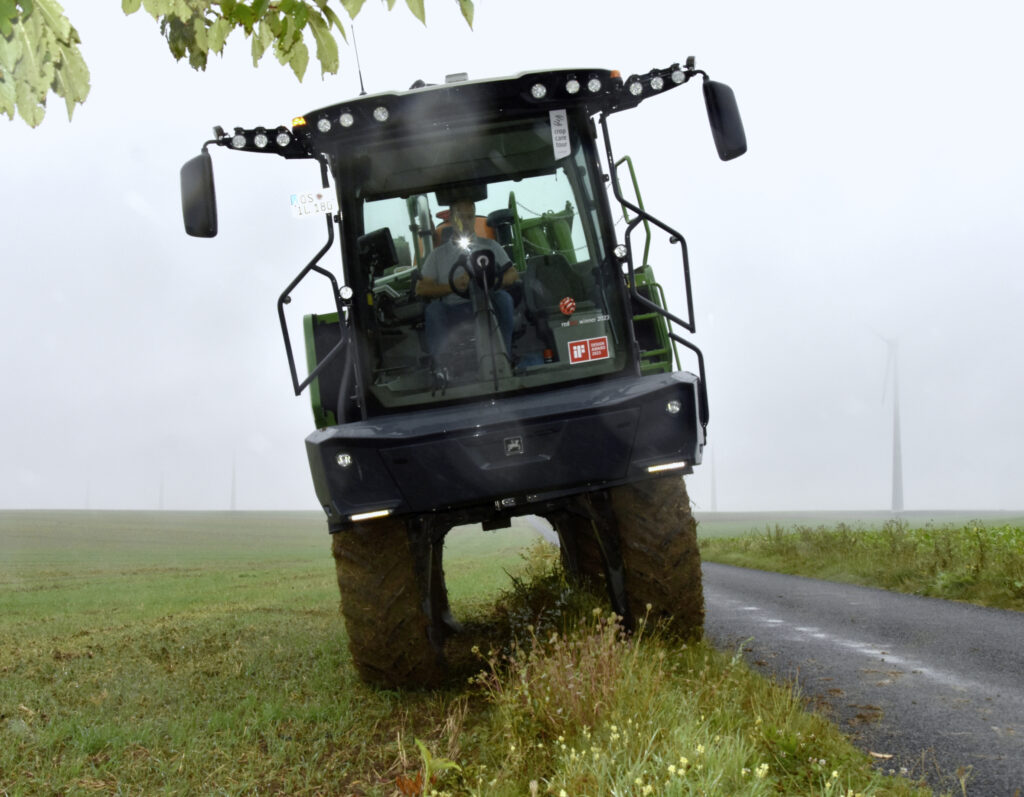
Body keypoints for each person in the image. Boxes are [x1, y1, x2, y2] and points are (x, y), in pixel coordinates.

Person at [415, 199, 519, 364]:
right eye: (460, 217)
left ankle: (504, 358)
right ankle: (443, 367)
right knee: (434, 309)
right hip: (454, 311)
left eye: (469, 217)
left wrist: (493, 281)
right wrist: (452, 286)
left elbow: (513, 274)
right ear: (451, 218)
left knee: (504, 299)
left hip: (488, 305)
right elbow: (421, 288)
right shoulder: (437, 255)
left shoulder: (490, 246)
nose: (465, 222)